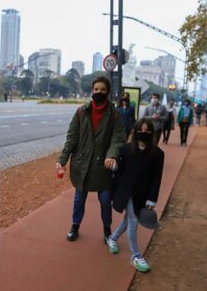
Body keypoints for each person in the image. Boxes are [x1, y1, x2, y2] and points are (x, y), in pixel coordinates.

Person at [56, 76, 126, 243]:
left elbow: (118, 139)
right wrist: (62, 160)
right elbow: (72, 138)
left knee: (104, 200)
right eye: (96, 89)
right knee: (79, 198)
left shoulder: (114, 115)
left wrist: (111, 155)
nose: (99, 92)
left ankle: (107, 229)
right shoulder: (82, 112)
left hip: (103, 166)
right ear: (92, 91)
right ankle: (75, 225)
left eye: (102, 90)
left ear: (108, 92)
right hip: (82, 165)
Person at [106, 118, 165, 272]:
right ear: (135, 131)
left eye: (147, 131)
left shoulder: (158, 154)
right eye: (140, 130)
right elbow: (118, 171)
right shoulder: (126, 149)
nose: (143, 133)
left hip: (142, 193)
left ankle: (112, 239)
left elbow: (156, 178)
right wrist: (115, 166)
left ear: (152, 133)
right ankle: (136, 256)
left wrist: (153, 198)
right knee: (133, 221)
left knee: (128, 219)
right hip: (125, 191)